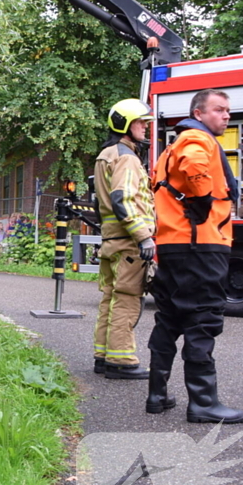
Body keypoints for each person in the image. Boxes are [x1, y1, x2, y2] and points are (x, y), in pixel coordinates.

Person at [148, 89, 243, 423]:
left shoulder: (170, 147)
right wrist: (203, 199)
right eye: (219, 110)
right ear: (199, 113)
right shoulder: (196, 138)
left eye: (228, 111)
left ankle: (156, 394)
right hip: (200, 244)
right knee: (203, 319)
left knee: (170, 318)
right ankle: (203, 403)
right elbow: (194, 167)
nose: (226, 116)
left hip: (174, 245)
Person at [92, 99, 157, 381]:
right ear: (126, 125)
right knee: (127, 300)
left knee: (110, 300)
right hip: (129, 242)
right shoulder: (127, 158)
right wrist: (143, 237)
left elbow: (103, 203)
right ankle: (122, 361)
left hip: (111, 242)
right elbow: (123, 198)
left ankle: (103, 356)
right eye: (142, 122)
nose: (145, 128)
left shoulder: (105, 155)